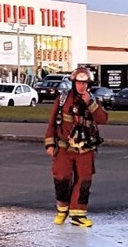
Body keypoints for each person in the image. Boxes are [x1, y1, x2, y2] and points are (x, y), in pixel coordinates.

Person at [44, 67, 109, 227]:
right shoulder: (62, 99)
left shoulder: (92, 100)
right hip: (64, 148)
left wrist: (90, 102)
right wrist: (50, 143)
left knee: (84, 181)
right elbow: (52, 122)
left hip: (85, 149)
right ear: (74, 83)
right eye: (79, 82)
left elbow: (103, 119)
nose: (82, 86)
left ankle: (78, 214)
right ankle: (62, 210)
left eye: (85, 83)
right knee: (61, 179)